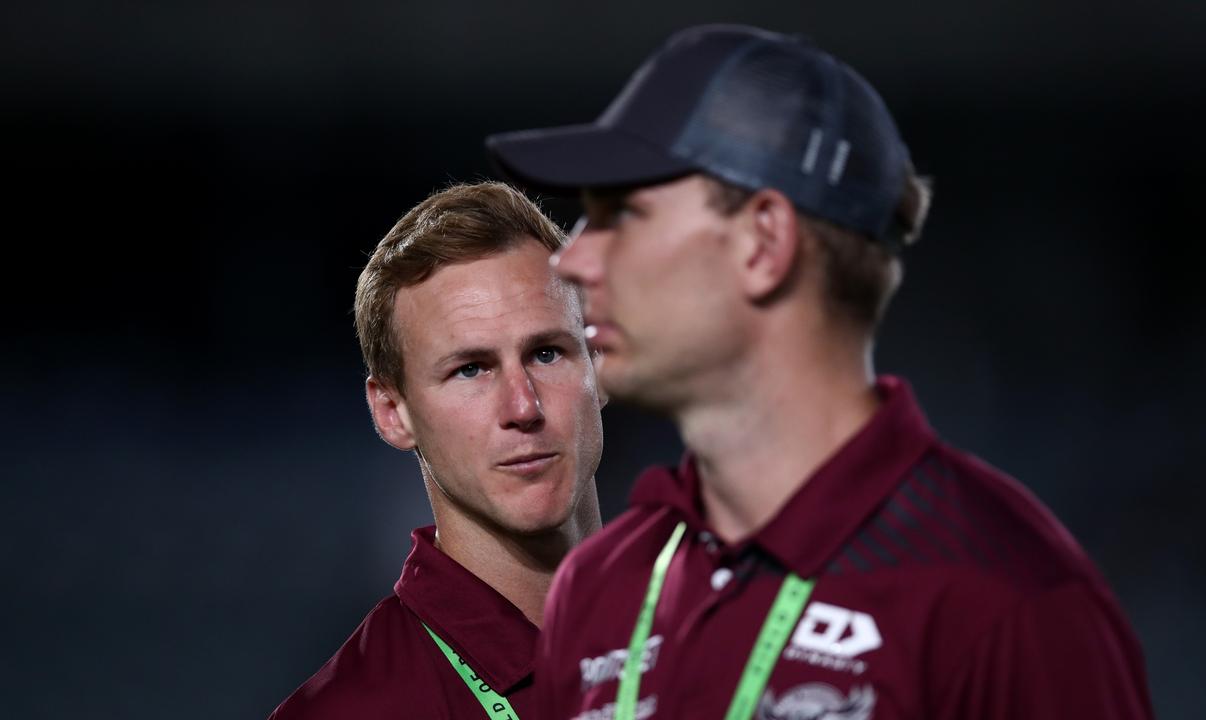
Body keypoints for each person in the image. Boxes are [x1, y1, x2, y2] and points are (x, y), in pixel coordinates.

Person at [486, 24, 1154, 720]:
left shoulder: (1001, 598)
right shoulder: (599, 589)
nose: (571, 259)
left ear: (764, 242)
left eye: (623, 212)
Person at [269, 182, 606, 719]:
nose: (523, 406)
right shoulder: (348, 712)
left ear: (601, 363)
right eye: (470, 369)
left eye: (546, 353)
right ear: (392, 412)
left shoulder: (728, 632)